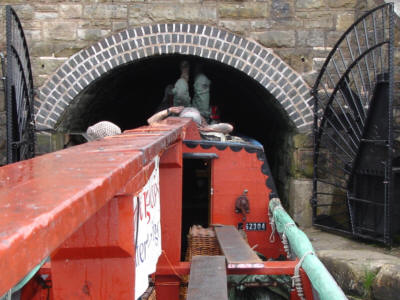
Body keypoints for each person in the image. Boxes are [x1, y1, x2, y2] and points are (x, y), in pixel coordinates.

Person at [147, 106, 233, 134]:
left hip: (181, 110)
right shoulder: (205, 128)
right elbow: (229, 127)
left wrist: (169, 110)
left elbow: (151, 121)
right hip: (187, 111)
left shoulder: (202, 128)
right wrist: (210, 128)